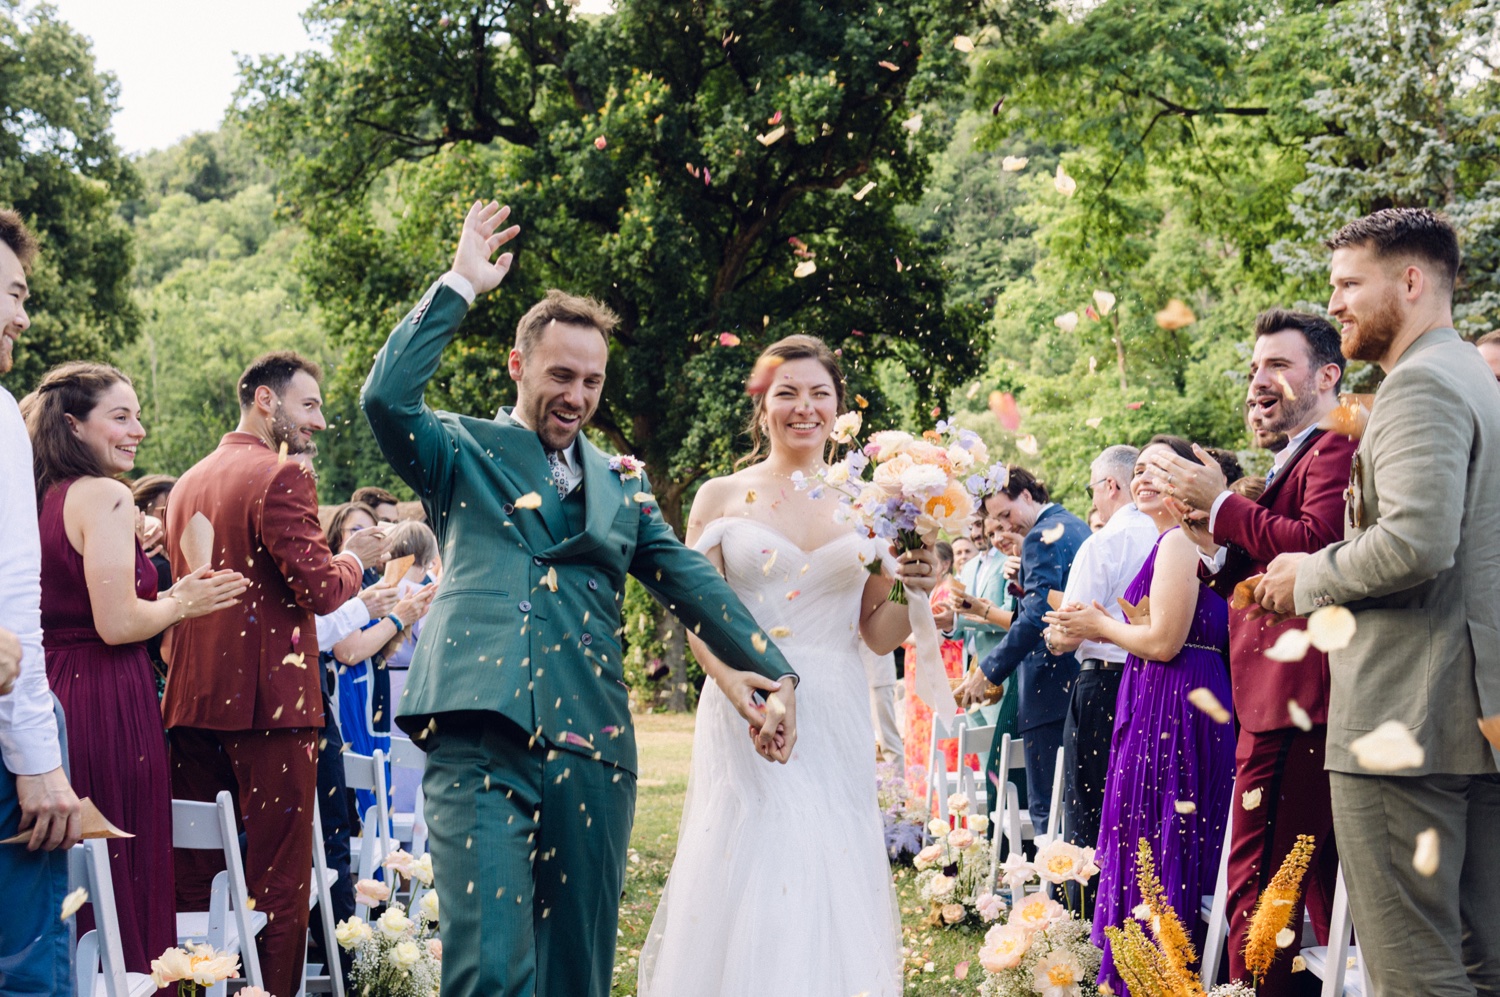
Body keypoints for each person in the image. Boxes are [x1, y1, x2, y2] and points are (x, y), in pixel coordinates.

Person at [360, 201, 809, 997]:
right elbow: (386, 401)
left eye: (592, 380)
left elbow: (693, 582)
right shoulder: (460, 451)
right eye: (560, 375)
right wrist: (460, 282)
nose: (577, 395)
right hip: (480, 731)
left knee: (577, 974)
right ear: (517, 366)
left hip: (593, 741)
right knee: (489, 968)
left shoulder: (623, 485)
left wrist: (777, 673)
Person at [639, 334, 937, 997]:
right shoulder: (719, 496)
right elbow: (698, 615)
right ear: (763, 408)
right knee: (762, 844)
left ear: (838, 407)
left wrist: (918, 585)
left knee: (825, 852)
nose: (804, 407)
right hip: (744, 698)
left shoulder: (871, 503)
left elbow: (877, 630)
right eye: (787, 393)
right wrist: (739, 687)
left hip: (832, 703)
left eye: (819, 393)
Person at [1256, 208, 1500, 996]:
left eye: (1349, 283)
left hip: (1406, 719)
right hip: (1471, 715)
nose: (1335, 303)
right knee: (1480, 962)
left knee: (1412, 971)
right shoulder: (1476, 379)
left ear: (1412, 280)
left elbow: (1418, 543)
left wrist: (1308, 576)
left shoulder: (1421, 382)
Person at [163, 351, 389, 997]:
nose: (319, 421)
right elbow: (319, 589)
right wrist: (351, 558)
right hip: (270, 709)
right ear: (267, 400)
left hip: (190, 701)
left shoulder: (187, 481)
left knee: (198, 881)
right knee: (278, 887)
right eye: (309, 405)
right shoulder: (281, 474)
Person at [1151, 308, 1354, 994]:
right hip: (1272, 697)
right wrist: (1215, 545)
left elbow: (1317, 542)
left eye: (1276, 365)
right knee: (1295, 894)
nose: (1256, 382)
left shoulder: (1334, 445)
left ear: (1327, 376)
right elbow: (1270, 567)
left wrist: (1221, 508)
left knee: (1259, 891)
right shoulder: (1293, 454)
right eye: (1252, 369)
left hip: (1298, 697)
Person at [21, 362, 248, 974]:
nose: (138, 430)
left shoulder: (35, 497)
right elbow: (117, 624)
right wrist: (184, 600)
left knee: (62, 879)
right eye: (120, 416)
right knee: (119, 869)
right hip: (106, 698)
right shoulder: (105, 496)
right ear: (74, 425)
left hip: (46, 696)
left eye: (138, 415)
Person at [1046, 436, 1235, 995]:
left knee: (1157, 835)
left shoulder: (1177, 543)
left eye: (1162, 468)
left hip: (1176, 704)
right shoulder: (1174, 542)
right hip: (1165, 695)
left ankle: (1157, 972)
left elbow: (1163, 642)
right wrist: (1106, 622)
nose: (1146, 477)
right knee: (1155, 834)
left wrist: (1096, 628)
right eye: (1142, 468)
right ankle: (1159, 968)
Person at [0, 207, 81, 995]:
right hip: (11, 723)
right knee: (24, 961)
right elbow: (14, 594)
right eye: (15, 293)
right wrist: (36, 758)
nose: (23, 316)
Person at [1041, 444, 1157, 916]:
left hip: (1104, 686)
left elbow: (1067, 635)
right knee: (1140, 813)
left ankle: (1087, 935)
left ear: (1111, 486)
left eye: (1094, 488)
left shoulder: (1103, 542)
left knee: (1088, 812)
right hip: (1155, 685)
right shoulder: (1170, 536)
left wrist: (1052, 635)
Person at [955, 466, 1089, 833]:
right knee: (1078, 806)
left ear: (1027, 496)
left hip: (1048, 687)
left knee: (1049, 812)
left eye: (1006, 514)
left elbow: (1037, 615)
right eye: (995, 520)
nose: (1005, 526)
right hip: (1079, 681)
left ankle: (1054, 890)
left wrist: (987, 670)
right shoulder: (1075, 525)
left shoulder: (1040, 537)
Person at [938, 514, 1021, 815]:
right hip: (969, 673)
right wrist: (948, 624)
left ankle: (1003, 823)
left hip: (1000, 674)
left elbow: (1011, 621)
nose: (974, 533)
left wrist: (973, 616)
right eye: (970, 526)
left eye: (978, 526)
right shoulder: (968, 568)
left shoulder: (1008, 562)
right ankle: (986, 824)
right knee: (980, 753)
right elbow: (958, 626)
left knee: (1001, 758)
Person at [899, 539, 968, 795]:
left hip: (941, 676)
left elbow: (933, 638)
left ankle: (943, 809)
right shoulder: (935, 591)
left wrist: (895, 636)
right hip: (925, 675)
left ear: (945, 564)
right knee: (925, 740)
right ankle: (925, 806)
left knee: (939, 741)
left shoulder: (946, 592)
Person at [131, 473, 177, 692]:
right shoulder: (160, 569)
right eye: (167, 512)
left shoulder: (127, 563)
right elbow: (169, 650)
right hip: (156, 684)